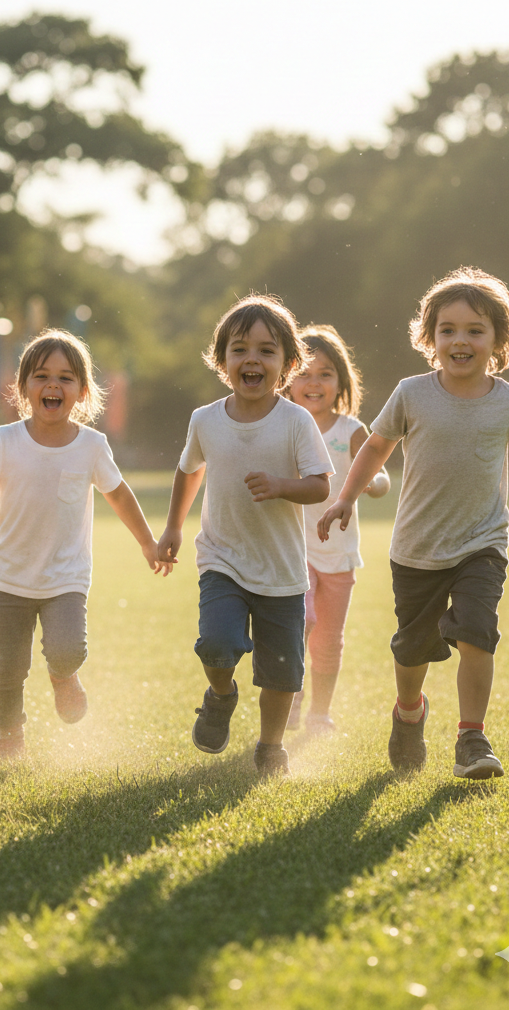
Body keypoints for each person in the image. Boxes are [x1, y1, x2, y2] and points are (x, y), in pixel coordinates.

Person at [318, 267, 509, 779]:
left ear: (499, 340)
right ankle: (409, 711)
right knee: (412, 650)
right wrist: (345, 497)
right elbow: (376, 445)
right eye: (448, 330)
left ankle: (471, 737)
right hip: (416, 545)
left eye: (475, 330)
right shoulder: (412, 393)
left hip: (482, 542)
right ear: (430, 337)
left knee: (477, 631)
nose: (460, 340)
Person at [0, 329, 168, 758]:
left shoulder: (92, 446)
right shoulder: (4, 440)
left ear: (81, 392)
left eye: (66, 377)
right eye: (41, 376)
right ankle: (10, 731)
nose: (53, 385)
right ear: (23, 389)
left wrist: (148, 542)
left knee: (68, 647)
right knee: (5, 668)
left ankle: (63, 676)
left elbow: (120, 496)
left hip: (66, 577)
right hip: (9, 578)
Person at [158, 295, 333, 777]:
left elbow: (320, 483)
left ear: (288, 365)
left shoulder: (296, 421)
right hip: (222, 558)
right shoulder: (205, 419)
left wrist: (281, 485)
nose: (251, 359)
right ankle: (220, 694)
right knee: (217, 643)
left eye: (266, 350)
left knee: (282, 672)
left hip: (280, 571)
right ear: (222, 362)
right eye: (239, 349)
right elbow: (188, 471)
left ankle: (270, 745)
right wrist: (174, 526)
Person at [284, 325, 390, 733]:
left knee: (328, 642)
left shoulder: (351, 431)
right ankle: (290, 699)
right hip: (295, 550)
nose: (313, 383)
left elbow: (377, 474)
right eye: (304, 373)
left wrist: (376, 484)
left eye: (325, 374)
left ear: (340, 381)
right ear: (287, 380)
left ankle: (318, 712)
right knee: (302, 622)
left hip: (340, 553)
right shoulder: (285, 426)